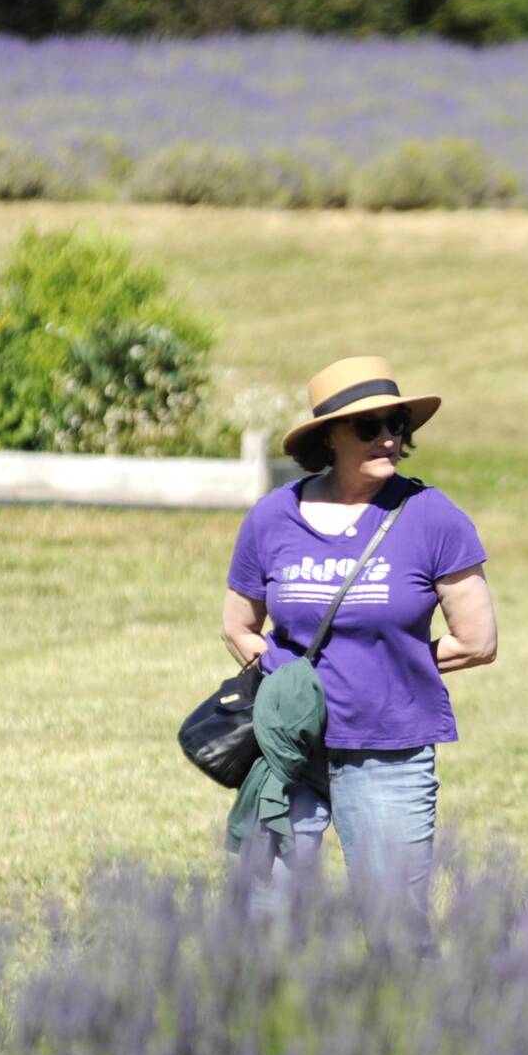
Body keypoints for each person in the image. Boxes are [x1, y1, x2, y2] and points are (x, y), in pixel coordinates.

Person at [222, 355, 496, 953]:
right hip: (290, 753)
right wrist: (283, 683)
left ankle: (406, 1042)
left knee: (395, 931)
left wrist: (393, 667)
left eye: (397, 424)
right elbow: (240, 625)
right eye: (369, 427)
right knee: (266, 925)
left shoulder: (431, 518)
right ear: (330, 437)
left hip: (388, 752)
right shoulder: (273, 516)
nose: (390, 438)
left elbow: (478, 641)